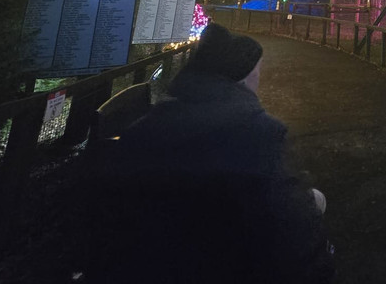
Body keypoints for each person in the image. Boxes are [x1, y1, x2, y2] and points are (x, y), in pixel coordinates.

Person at [89, 22, 334, 283]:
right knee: (314, 201)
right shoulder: (259, 134)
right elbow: (290, 232)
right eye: (258, 71)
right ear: (242, 79)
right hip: (223, 265)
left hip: (146, 265)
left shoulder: (143, 129)